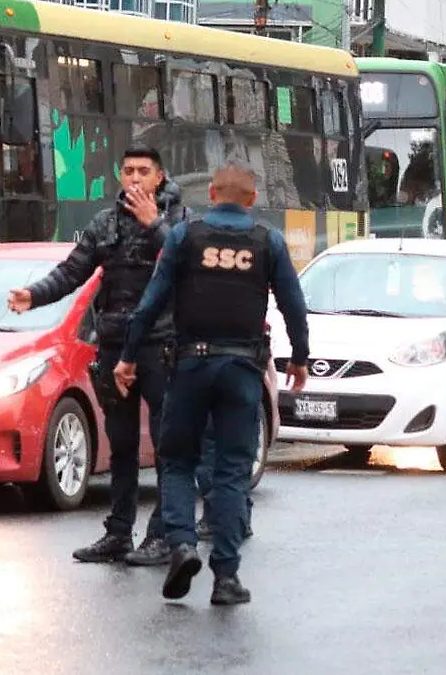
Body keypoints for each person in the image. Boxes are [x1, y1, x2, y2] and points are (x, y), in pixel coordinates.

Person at [114, 161, 309, 605]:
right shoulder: (267, 242)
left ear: (213, 193)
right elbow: (294, 306)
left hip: (190, 366)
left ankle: (182, 543)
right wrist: (299, 358)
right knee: (231, 471)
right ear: (253, 201)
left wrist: (127, 357)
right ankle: (226, 577)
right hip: (242, 371)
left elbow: (150, 303)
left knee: (179, 459)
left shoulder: (186, 236)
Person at [7, 145, 187, 567]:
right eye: (128, 171)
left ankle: (163, 536)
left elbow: (188, 265)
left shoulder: (178, 220)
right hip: (113, 343)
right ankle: (119, 532)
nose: (136, 179)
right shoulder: (105, 222)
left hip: (161, 344)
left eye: (144, 171)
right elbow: (73, 271)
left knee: (166, 446)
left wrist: (154, 225)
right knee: (121, 443)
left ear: (159, 177)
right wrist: (33, 295)